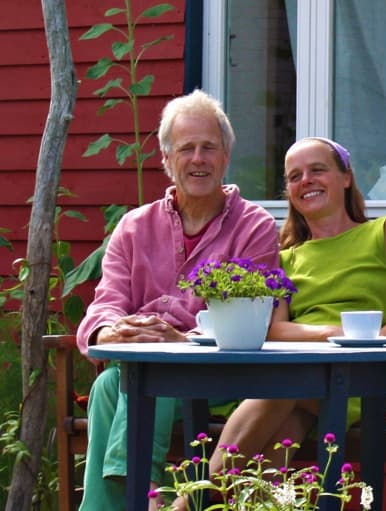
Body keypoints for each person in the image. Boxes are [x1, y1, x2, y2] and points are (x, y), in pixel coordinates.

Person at [76, 89, 280, 510]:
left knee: (143, 376)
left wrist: (180, 341)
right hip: (142, 371)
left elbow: (250, 318)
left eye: (209, 148)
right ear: (167, 160)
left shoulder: (254, 225)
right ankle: (144, 498)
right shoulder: (134, 227)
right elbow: (105, 302)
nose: (198, 159)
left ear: (225, 157)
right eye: (186, 149)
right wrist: (112, 330)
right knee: (110, 384)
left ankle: (138, 495)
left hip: (220, 375)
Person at [202, 136, 386, 478]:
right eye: (294, 176)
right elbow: (274, 328)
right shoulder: (284, 255)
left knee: (282, 392)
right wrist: (335, 335)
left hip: (367, 373)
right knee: (285, 420)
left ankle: (191, 501)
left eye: (317, 170)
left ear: (346, 177)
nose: (306, 180)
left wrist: (363, 349)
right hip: (302, 373)